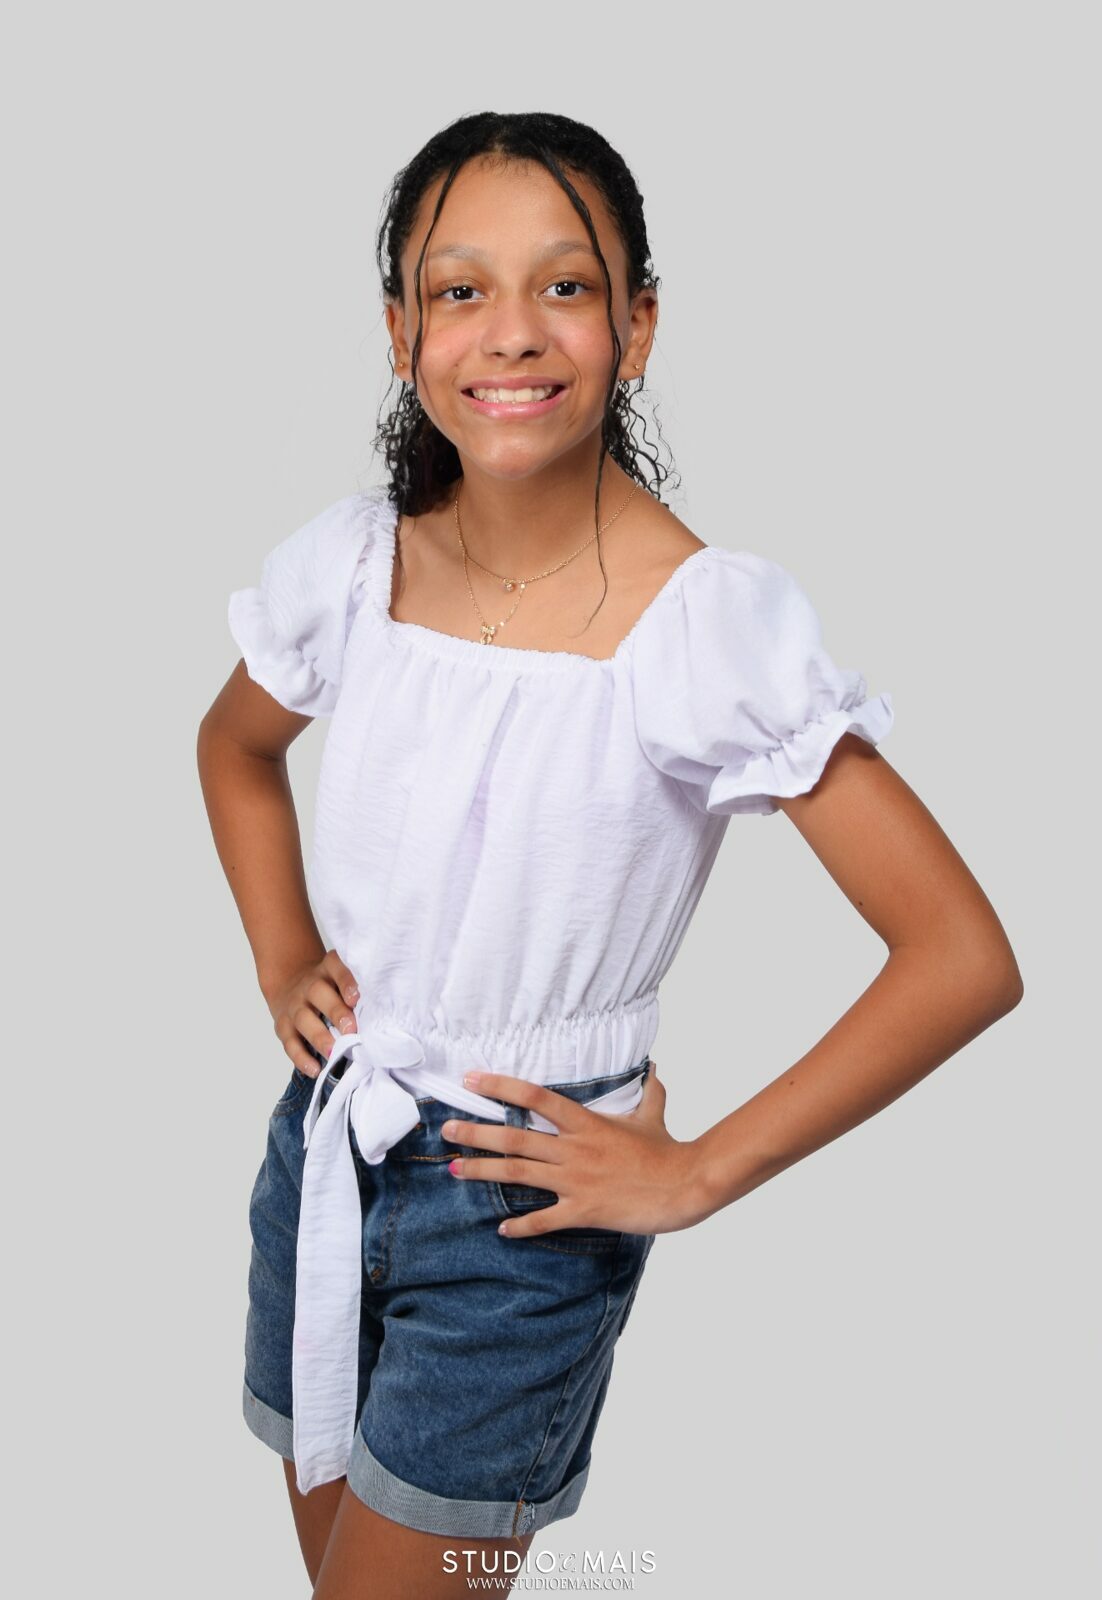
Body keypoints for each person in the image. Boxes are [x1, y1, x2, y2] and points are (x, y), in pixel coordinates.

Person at [197, 110, 1023, 1598]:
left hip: (523, 1213)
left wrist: (695, 1174)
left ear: (637, 325)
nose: (511, 330)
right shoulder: (353, 565)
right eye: (459, 288)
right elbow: (234, 748)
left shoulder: (701, 627)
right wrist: (282, 962)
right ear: (400, 332)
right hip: (324, 1151)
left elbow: (960, 957)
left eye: (565, 286)